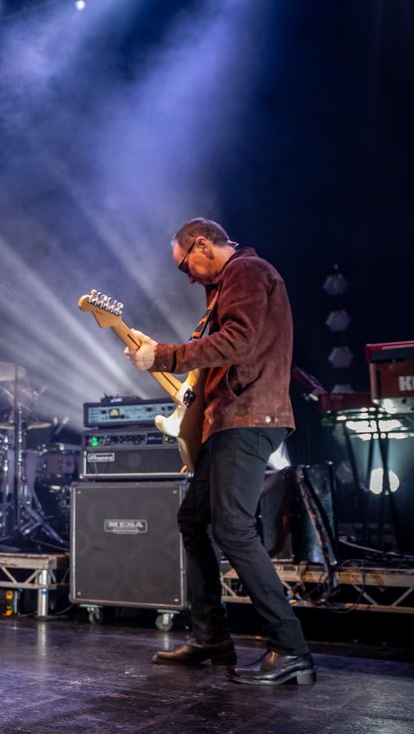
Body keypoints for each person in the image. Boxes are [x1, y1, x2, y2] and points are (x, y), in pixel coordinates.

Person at [123, 217, 315, 686]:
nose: (188, 277)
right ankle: (212, 637)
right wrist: (169, 358)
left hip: (249, 418)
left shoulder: (247, 273)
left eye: (186, 265)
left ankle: (291, 650)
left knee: (232, 526)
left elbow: (238, 342)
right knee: (193, 519)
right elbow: (214, 352)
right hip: (227, 420)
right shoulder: (224, 288)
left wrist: (164, 355)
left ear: (203, 244)